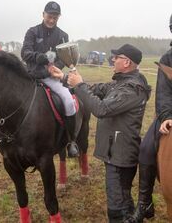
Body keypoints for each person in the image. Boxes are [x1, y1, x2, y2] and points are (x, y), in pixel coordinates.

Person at [49, 44, 151, 223]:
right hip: (115, 152)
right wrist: (65, 77)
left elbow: (101, 109)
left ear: (126, 62)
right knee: (124, 200)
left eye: (116, 57)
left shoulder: (132, 88)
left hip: (120, 156)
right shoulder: (121, 82)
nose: (113, 59)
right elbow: (95, 89)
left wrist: (79, 85)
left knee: (117, 208)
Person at [128, 14, 172, 223]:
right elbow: (163, 93)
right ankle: (145, 203)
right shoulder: (167, 59)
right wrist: (166, 116)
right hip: (170, 113)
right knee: (146, 148)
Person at [21, 1, 79, 157]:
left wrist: (55, 68)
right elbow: (25, 53)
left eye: (55, 17)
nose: (52, 20)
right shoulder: (32, 32)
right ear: (43, 14)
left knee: (68, 100)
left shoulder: (62, 36)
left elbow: (64, 59)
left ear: (58, 17)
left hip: (52, 77)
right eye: (49, 16)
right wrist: (37, 57)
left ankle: (70, 141)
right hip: (31, 76)